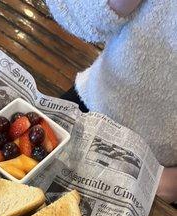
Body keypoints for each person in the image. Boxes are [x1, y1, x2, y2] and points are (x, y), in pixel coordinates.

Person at [46, 0, 177, 203]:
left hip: (162, 169)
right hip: (94, 103)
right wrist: (111, 5)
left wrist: (171, 184)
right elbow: (70, 13)